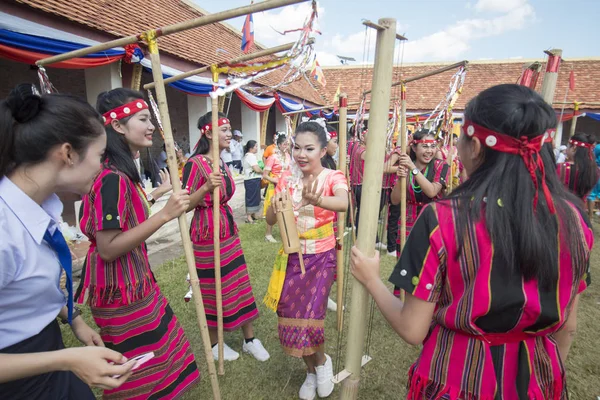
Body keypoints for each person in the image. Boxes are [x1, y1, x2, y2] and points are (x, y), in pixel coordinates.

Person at [350, 84, 593, 400]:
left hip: (458, 378)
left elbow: (413, 329)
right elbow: (568, 327)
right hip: (539, 378)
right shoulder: (575, 219)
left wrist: (372, 280)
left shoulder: (444, 219)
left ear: (475, 145)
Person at [0, 84, 134, 398]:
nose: (102, 167)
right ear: (68, 153)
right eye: (100, 155)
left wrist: (72, 318)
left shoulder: (38, 206)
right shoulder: (4, 231)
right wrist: (66, 359)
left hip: (45, 356)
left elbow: (21, 294)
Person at [76, 88, 200, 399]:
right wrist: (166, 215)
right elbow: (108, 247)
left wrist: (158, 194)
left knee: (159, 354)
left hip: (132, 282)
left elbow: (124, 215)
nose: (151, 127)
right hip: (120, 290)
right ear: (117, 126)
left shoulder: (118, 174)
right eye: (143, 119)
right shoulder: (112, 178)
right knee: (139, 369)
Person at [265, 121, 348, 400]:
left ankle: (322, 363)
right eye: (297, 147)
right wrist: (276, 209)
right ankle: (310, 372)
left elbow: (343, 203)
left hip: (321, 257)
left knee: (311, 317)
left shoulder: (332, 176)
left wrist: (319, 200)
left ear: (323, 150)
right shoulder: (286, 178)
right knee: (289, 314)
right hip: (291, 256)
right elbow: (269, 218)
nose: (301, 154)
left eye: (309, 148)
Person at [183, 111, 269, 362]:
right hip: (206, 232)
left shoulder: (221, 161)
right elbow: (186, 205)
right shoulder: (195, 163)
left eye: (230, 128)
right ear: (208, 133)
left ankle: (250, 339)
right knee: (211, 286)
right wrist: (206, 187)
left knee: (237, 280)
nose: (230, 134)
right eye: (224, 129)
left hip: (227, 229)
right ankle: (213, 344)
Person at [390, 128, 449, 284]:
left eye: (432, 146)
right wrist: (401, 177)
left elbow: (431, 191)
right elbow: (395, 200)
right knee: (407, 266)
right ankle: (402, 302)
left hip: (433, 222)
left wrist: (413, 169)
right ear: (414, 148)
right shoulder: (406, 167)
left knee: (429, 266)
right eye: (425, 146)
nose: (429, 151)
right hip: (408, 221)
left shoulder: (441, 166)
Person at [262, 132, 291, 243]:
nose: (286, 146)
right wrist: (274, 179)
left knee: (284, 207)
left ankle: (285, 231)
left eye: (287, 144)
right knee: (272, 208)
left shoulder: (288, 156)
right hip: (274, 185)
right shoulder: (273, 157)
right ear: (278, 145)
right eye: (284, 144)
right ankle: (268, 234)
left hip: (285, 185)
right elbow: (264, 175)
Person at [557, 132, 599, 202]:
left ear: (574, 147)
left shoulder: (561, 167)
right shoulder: (594, 170)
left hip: (561, 208)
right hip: (580, 209)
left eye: (568, 145)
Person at [243, 140, 263, 223]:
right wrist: (263, 172)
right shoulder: (250, 156)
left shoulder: (249, 156)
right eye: (256, 146)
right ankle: (249, 217)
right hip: (251, 180)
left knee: (255, 197)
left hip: (253, 180)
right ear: (251, 148)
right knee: (251, 198)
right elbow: (256, 168)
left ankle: (253, 215)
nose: (257, 148)